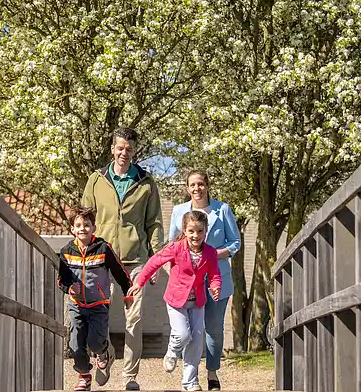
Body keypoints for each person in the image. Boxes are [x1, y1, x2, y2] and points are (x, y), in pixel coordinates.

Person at [81, 126, 165, 391]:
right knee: (99, 315)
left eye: (129, 149)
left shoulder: (146, 182)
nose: (124, 153)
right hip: (102, 260)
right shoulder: (96, 180)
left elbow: (154, 223)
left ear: (134, 151)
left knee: (134, 318)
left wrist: (156, 262)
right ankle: (104, 356)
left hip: (136, 261)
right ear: (112, 149)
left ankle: (130, 375)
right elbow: (85, 218)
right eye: (120, 148)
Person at [128, 210, 222, 392]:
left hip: (198, 301)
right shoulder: (176, 247)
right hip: (176, 300)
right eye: (192, 231)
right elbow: (154, 262)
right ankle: (172, 351)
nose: (196, 235)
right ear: (185, 231)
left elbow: (214, 274)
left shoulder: (210, 252)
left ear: (205, 231)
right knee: (183, 334)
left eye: (200, 231)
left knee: (195, 343)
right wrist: (140, 281)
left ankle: (190, 382)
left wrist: (215, 286)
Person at [168, 170, 241, 391]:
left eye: (201, 184)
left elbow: (235, 243)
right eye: (192, 185)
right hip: (189, 283)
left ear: (207, 185)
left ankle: (212, 371)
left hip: (218, 279)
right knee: (190, 330)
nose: (197, 188)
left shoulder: (223, 209)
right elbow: (173, 245)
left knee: (214, 329)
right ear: (187, 188)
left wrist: (211, 254)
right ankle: (190, 378)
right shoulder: (179, 211)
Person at [57, 206, 134, 391]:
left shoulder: (103, 248)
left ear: (94, 228)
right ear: (72, 229)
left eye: (86, 225)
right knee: (75, 344)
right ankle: (84, 376)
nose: (82, 228)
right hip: (76, 305)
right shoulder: (67, 251)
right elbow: (61, 279)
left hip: (99, 304)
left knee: (94, 342)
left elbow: (119, 272)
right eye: (78, 225)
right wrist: (69, 288)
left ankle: (104, 352)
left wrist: (128, 293)